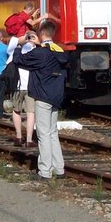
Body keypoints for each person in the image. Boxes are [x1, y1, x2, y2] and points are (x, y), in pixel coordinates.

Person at [15, 19, 67, 179]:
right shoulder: (59, 51)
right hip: (56, 95)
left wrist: (19, 44)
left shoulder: (40, 53)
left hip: (43, 95)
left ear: (41, 33)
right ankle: (59, 169)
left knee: (43, 134)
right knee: (52, 133)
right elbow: (48, 56)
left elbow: (19, 60)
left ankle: (45, 171)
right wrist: (39, 45)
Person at [10, 31, 38, 146]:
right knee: (31, 112)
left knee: (16, 110)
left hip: (18, 85)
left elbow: (12, 44)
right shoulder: (36, 51)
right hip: (31, 86)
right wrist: (35, 40)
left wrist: (22, 39)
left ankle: (18, 137)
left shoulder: (16, 51)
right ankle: (29, 140)